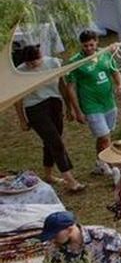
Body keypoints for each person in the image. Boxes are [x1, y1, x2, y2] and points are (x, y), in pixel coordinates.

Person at [12, 44, 84, 192]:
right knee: (56, 142)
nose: (32, 65)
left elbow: (62, 86)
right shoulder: (20, 71)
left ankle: (48, 175)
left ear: (41, 56)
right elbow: (17, 98)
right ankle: (70, 179)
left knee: (50, 142)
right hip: (34, 108)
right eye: (29, 63)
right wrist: (22, 119)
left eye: (35, 61)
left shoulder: (53, 63)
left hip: (54, 103)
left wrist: (68, 107)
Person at [63, 29, 121, 173]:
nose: (89, 48)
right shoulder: (75, 62)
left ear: (96, 42)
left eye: (91, 45)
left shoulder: (106, 53)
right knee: (105, 137)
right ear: (81, 45)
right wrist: (76, 110)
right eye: (85, 46)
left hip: (108, 102)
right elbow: (70, 88)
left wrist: (120, 85)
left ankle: (99, 163)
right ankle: (113, 167)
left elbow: (115, 71)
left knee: (104, 136)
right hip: (91, 105)